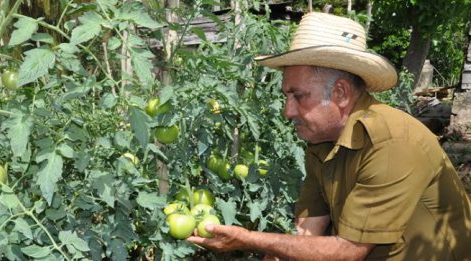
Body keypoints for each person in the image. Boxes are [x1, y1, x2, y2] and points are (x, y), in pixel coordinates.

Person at [187, 12, 471, 260]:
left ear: (341, 94)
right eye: (286, 96)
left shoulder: (393, 141)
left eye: (298, 96)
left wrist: (248, 239)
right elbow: (307, 233)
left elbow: (348, 252)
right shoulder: (321, 142)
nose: (288, 111)